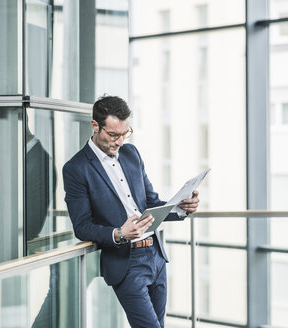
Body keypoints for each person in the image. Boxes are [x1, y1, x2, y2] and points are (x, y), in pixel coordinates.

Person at [62, 95, 200, 328]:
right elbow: (82, 226)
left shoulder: (131, 154)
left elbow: (150, 201)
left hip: (156, 255)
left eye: (125, 134)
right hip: (126, 263)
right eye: (113, 135)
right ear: (95, 126)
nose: (119, 142)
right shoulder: (76, 168)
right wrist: (119, 233)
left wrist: (181, 208)